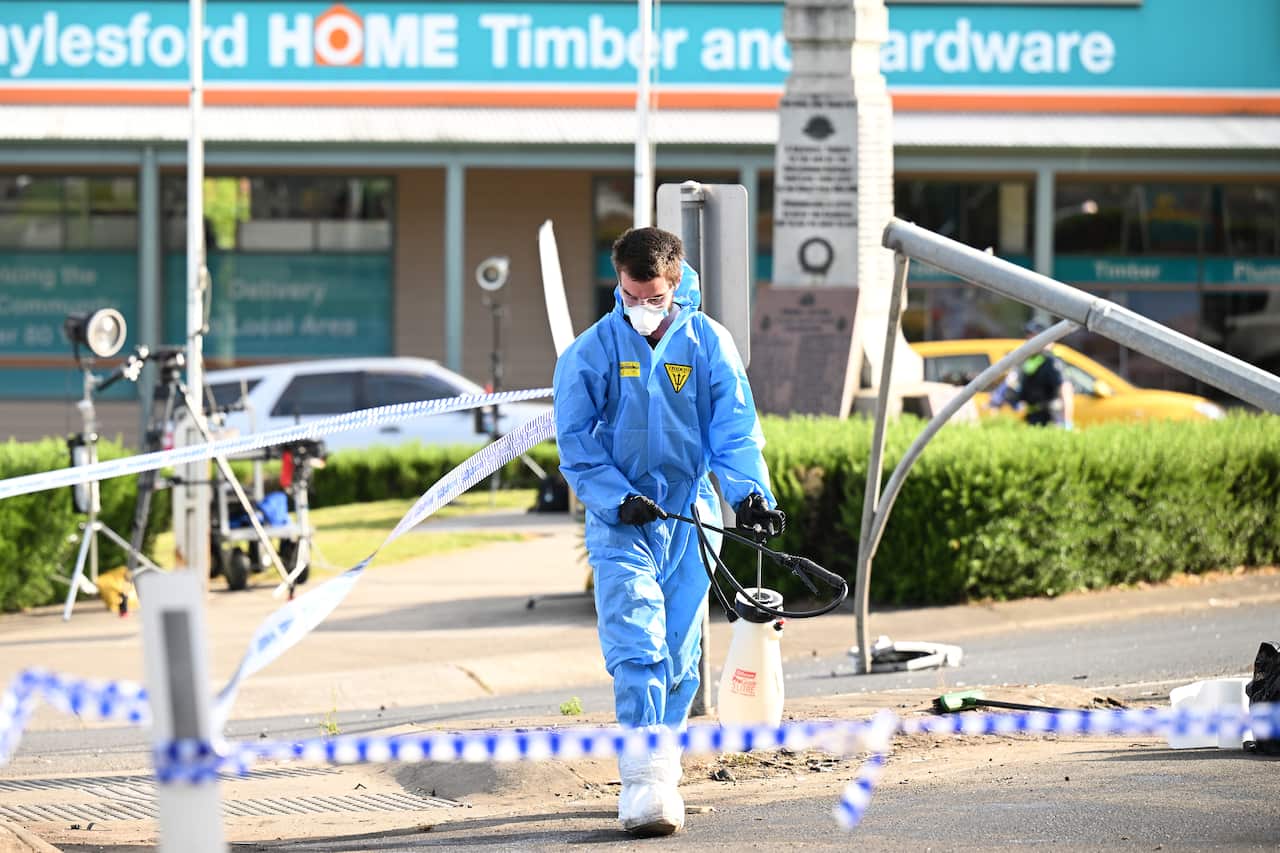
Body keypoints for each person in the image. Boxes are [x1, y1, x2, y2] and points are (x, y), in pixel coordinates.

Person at [552, 226, 784, 837]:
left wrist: (751, 497)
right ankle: (642, 785)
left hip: (689, 512)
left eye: (656, 298)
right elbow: (576, 447)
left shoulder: (709, 343)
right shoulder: (591, 352)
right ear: (618, 284)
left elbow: (734, 432)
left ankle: (661, 766)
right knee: (637, 639)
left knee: (681, 652)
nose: (643, 309)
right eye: (632, 295)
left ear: (676, 285)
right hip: (622, 519)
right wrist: (616, 496)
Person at [989, 320, 1074, 428]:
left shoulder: (1052, 362)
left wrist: (1067, 421)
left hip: (1051, 418)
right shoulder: (1030, 361)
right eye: (1028, 337)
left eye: (1032, 337)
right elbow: (1013, 384)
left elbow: (1065, 390)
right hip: (1033, 417)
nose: (1028, 341)